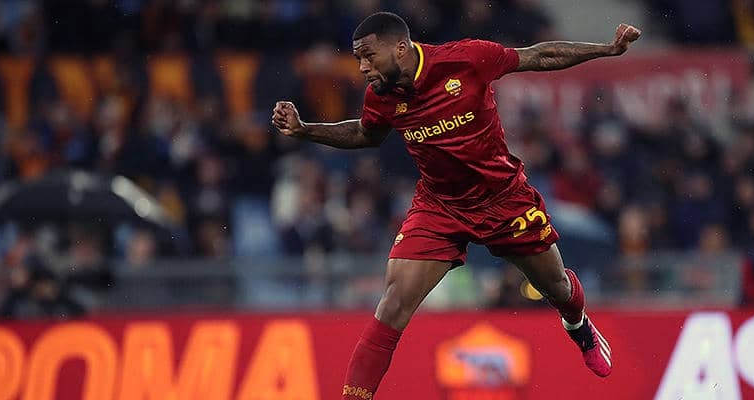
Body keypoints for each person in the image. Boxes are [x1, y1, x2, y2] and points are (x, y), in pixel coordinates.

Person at [272, 12, 640, 398]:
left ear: (401, 48)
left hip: (503, 199)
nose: (363, 67)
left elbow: (538, 55)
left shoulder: (466, 59)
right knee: (392, 304)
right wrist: (305, 130)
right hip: (440, 207)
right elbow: (367, 134)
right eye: (358, 58)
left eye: (368, 56)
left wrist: (606, 49)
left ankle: (579, 326)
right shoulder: (381, 95)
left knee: (557, 287)